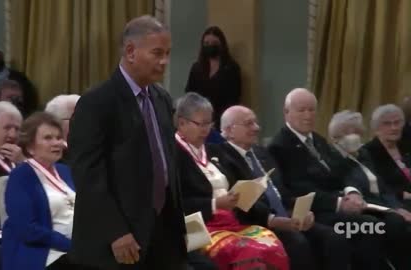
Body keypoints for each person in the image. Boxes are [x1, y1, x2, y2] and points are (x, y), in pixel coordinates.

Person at [67, 15, 187, 270]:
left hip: (162, 230)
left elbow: (167, 164)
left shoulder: (162, 99)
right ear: (131, 52)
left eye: (167, 53)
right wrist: (115, 232)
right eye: (157, 53)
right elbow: (88, 176)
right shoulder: (96, 103)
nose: (164, 62)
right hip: (117, 237)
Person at [267, 88, 410, 270]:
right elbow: (297, 188)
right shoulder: (279, 146)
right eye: (302, 110)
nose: (308, 115)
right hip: (319, 211)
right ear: (287, 113)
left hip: (345, 202)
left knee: (394, 220)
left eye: (312, 110)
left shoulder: (318, 140)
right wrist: (339, 202)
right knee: (369, 227)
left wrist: (352, 192)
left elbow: (342, 172)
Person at [213, 105, 350, 270]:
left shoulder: (262, 152)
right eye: (249, 124)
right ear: (229, 130)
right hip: (259, 222)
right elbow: (241, 203)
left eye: (256, 123)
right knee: (298, 243)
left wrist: (300, 210)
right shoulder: (223, 157)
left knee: (333, 238)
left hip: (287, 215)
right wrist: (274, 220)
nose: (256, 128)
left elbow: (282, 192)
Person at [175, 93, 289, 270]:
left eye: (209, 124)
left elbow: (237, 184)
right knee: (249, 252)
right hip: (201, 228)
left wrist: (244, 194)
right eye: (201, 124)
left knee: (271, 243)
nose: (206, 130)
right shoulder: (173, 155)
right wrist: (214, 204)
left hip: (232, 221)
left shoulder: (215, 151)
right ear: (182, 123)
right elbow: (177, 202)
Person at [1, 112, 79, 270]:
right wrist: (71, 245)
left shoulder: (65, 171)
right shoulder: (21, 176)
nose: (57, 143)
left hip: (77, 246)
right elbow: (27, 229)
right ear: (30, 147)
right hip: (44, 251)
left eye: (58, 137)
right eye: (48, 138)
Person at [185, 26, 241, 130]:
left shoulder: (231, 68)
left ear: (222, 44)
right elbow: (189, 94)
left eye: (214, 43)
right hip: (198, 121)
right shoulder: (197, 68)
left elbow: (233, 99)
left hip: (221, 122)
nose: (210, 46)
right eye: (206, 43)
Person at [361, 104, 411, 210]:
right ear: (376, 127)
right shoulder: (368, 152)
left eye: (397, 122)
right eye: (387, 124)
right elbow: (377, 186)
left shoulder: (406, 145)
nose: (394, 127)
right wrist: (402, 194)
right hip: (394, 203)